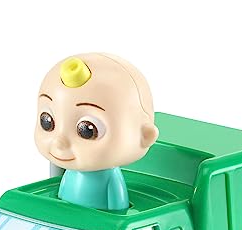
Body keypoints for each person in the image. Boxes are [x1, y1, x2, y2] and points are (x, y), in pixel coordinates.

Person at [34, 53, 159, 211]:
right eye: (47, 122)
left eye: (87, 130)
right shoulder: (69, 174)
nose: (59, 142)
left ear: (145, 136)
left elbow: (117, 210)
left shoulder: (110, 181)